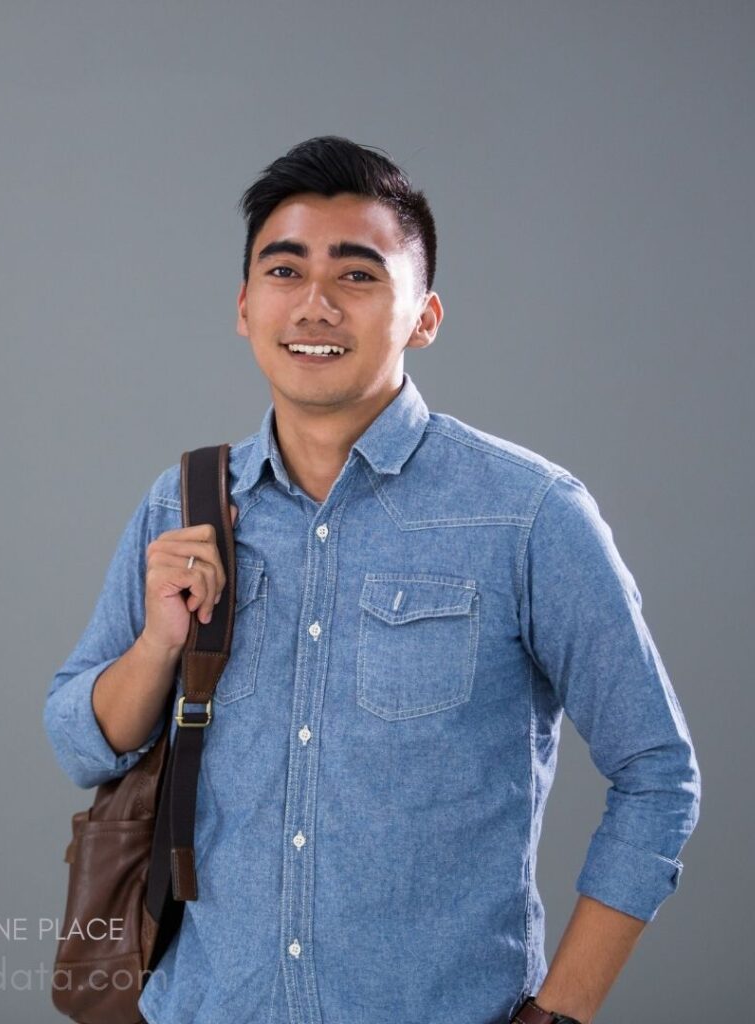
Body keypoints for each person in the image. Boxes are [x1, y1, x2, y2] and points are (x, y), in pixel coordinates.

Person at [44, 135, 701, 1024]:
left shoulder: (528, 513)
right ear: (245, 307)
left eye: (357, 276)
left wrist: (562, 1012)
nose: (314, 304)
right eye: (284, 272)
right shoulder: (183, 505)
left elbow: (658, 775)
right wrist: (160, 644)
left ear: (424, 315)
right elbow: (83, 742)